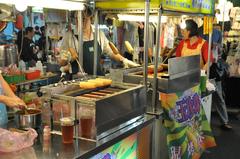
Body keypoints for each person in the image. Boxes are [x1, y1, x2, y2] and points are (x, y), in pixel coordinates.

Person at [199, 24, 232, 130]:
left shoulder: (217, 33)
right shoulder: (198, 32)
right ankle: (199, 121)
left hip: (213, 70)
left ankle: (224, 121)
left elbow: (219, 51)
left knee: (218, 96)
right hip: (201, 69)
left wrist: (215, 49)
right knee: (200, 97)